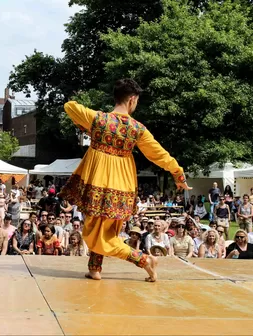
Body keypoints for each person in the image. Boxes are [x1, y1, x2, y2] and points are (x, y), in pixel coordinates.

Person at [59, 79, 190, 282]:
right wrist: (178, 173)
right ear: (132, 99)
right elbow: (158, 154)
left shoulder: (98, 120)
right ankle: (95, 268)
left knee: (96, 233)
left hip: (98, 184)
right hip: (122, 186)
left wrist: (87, 125)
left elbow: (70, 106)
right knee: (104, 229)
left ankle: (144, 259)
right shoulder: (137, 128)